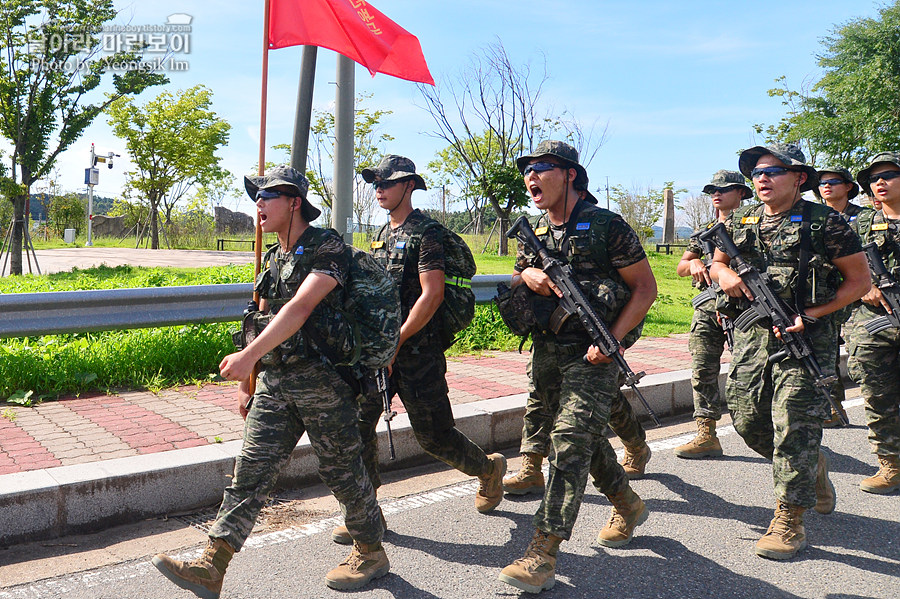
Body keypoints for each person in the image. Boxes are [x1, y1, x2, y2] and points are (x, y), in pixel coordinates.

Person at [151, 165, 389, 596]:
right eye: (255, 197)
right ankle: (213, 564)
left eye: (268, 197)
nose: (258, 205)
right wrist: (249, 382)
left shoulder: (327, 246)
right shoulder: (272, 256)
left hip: (324, 381)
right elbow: (256, 319)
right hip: (276, 383)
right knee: (251, 473)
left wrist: (245, 359)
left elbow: (298, 310)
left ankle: (370, 550)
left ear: (294, 202)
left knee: (343, 472)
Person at [498, 141, 657, 593]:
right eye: (526, 170)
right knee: (582, 440)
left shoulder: (607, 226)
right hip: (548, 349)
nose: (531, 177)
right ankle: (626, 501)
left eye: (541, 168)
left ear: (569, 174)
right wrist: (524, 276)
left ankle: (543, 552)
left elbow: (645, 289)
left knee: (567, 445)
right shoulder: (535, 233)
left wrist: (614, 344)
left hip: (594, 353)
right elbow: (517, 276)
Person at [710, 144, 869, 560]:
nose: (762, 179)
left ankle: (789, 518)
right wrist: (724, 274)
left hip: (806, 339)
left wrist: (815, 313)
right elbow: (717, 262)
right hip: (752, 338)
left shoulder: (826, 222)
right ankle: (812, 467)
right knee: (746, 419)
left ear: (799, 178)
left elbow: (858, 280)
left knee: (794, 427)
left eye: (773, 171)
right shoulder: (743, 219)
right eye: (757, 172)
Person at [356, 154, 506, 520]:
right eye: (375, 183)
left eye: (386, 183)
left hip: (418, 353)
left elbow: (432, 294)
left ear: (408, 185)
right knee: (357, 427)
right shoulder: (381, 235)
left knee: (434, 437)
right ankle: (364, 512)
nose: (379, 189)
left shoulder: (427, 233)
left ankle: (488, 470)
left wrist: (398, 342)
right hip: (382, 353)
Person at [673, 170, 750, 458]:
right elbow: (682, 266)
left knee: (748, 371)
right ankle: (706, 433)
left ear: (741, 193)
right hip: (707, 308)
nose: (716, 194)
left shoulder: (750, 225)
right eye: (712, 190)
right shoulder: (703, 231)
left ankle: (766, 428)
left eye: (724, 189)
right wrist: (693, 264)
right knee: (703, 368)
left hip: (743, 310)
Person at [846, 152, 900, 494]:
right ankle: (891, 462)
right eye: (874, 178)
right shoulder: (859, 224)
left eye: (889, 175)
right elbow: (840, 265)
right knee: (876, 392)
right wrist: (864, 286)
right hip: (874, 320)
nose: (880, 182)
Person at [815, 166, 872, 428]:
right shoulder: (814, 218)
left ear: (848, 186)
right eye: (822, 182)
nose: (826, 186)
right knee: (824, 356)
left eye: (833, 182)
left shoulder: (864, 218)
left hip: (856, 299)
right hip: (826, 297)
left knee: (860, 360)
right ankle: (834, 409)